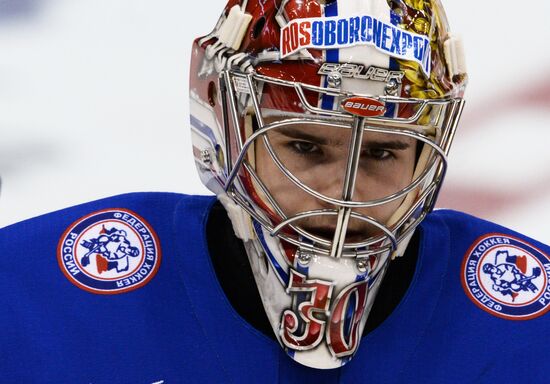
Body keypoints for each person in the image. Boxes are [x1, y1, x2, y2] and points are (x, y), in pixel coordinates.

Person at [1, 0, 549, 382]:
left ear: (426, 154)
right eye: (305, 147)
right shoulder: (29, 298)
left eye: (382, 152)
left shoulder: (532, 328)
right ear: (225, 122)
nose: (342, 192)